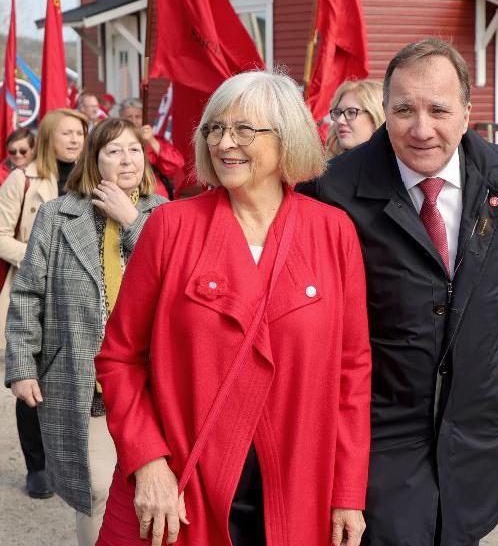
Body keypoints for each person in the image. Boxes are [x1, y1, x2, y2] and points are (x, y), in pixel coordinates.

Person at [94, 71, 371, 546]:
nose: (225, 143)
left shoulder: (333, 232)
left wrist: (347, 491)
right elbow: (119, 359)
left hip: (296, 488)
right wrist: (148, 462)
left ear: (288, 138)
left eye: (244, 129)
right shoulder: (170, 227)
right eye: (215, 129)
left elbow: (352, 371)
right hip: (186, 486)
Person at [299, 38, 498, 546]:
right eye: (404, 109)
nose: (421, 128)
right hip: (382, 428)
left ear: (468, 112)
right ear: (384, 110)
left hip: (475, 425)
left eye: (439, 109)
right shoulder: (331, 190)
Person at [5, 118, 165, 545]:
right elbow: (28, 293)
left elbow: (177, 280)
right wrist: (21, 364)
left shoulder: (163, 213)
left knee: (150, 488)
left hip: (150, 381)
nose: (126, 159)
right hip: (82, 378)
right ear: (94, 161)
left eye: (133, 149)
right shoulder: (59, 214)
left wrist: (131, 220)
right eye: (113, 151)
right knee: (96, 491)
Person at [0, 107, 86, 500]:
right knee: (29, 376)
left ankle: (70, 457)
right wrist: (39, 257)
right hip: (33, 291)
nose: (75, 140)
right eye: (67, 133)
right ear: (49, 135)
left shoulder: (92, 178)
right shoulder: (23, 178)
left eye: (81, 134)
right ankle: (37, 466)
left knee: (71, 375)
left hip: (77, 295)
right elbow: (0, 234)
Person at [112, 98, 186, 200]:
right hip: (122, 195)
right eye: (129, 117)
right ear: (121, 119)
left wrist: (151, 141)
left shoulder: (154, 141)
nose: (134, 121)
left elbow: (176, 164)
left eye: (138, 117)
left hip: (153, 196)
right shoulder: (113, 142)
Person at [326, 79, 385, 157]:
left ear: (375, 117)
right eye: (338, 113)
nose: (340, 121)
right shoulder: (328, 167)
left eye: (351, 112)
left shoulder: (400, 167)